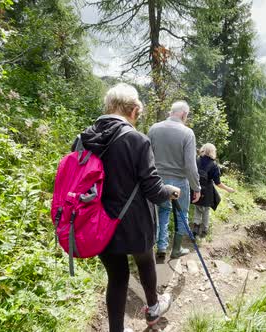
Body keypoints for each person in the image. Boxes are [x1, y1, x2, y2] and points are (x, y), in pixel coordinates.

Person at [74, 83, 180, 331]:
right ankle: (153, 309)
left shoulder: (83, 138)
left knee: (118, 277)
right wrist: (172, 191)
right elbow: (154, 191)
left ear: (109, 107)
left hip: (97, 223)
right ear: (133, 110)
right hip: (134, 223)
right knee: (145, 260)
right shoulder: (136, 140)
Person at [148, 101, 201, 260]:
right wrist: (196, 187)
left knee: (163, 211)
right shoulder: (187, 133)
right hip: (179, 181)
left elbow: (147, 157)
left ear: (172, 112)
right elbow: (190, 165)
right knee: (182, 214)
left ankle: (161, 247)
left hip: (158, 181)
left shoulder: (154, 129)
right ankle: (176, 249)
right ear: (184, 114)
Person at [191, 143, 235, 237]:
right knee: (206, 210)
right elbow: (218, 183)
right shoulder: (213, 165)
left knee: (197, 208)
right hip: (207, 191)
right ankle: (204, 231)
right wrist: (228, 189)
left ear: (203, 149)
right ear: (212, 152)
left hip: (195, 187)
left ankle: (195, 227)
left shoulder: (196, 160)